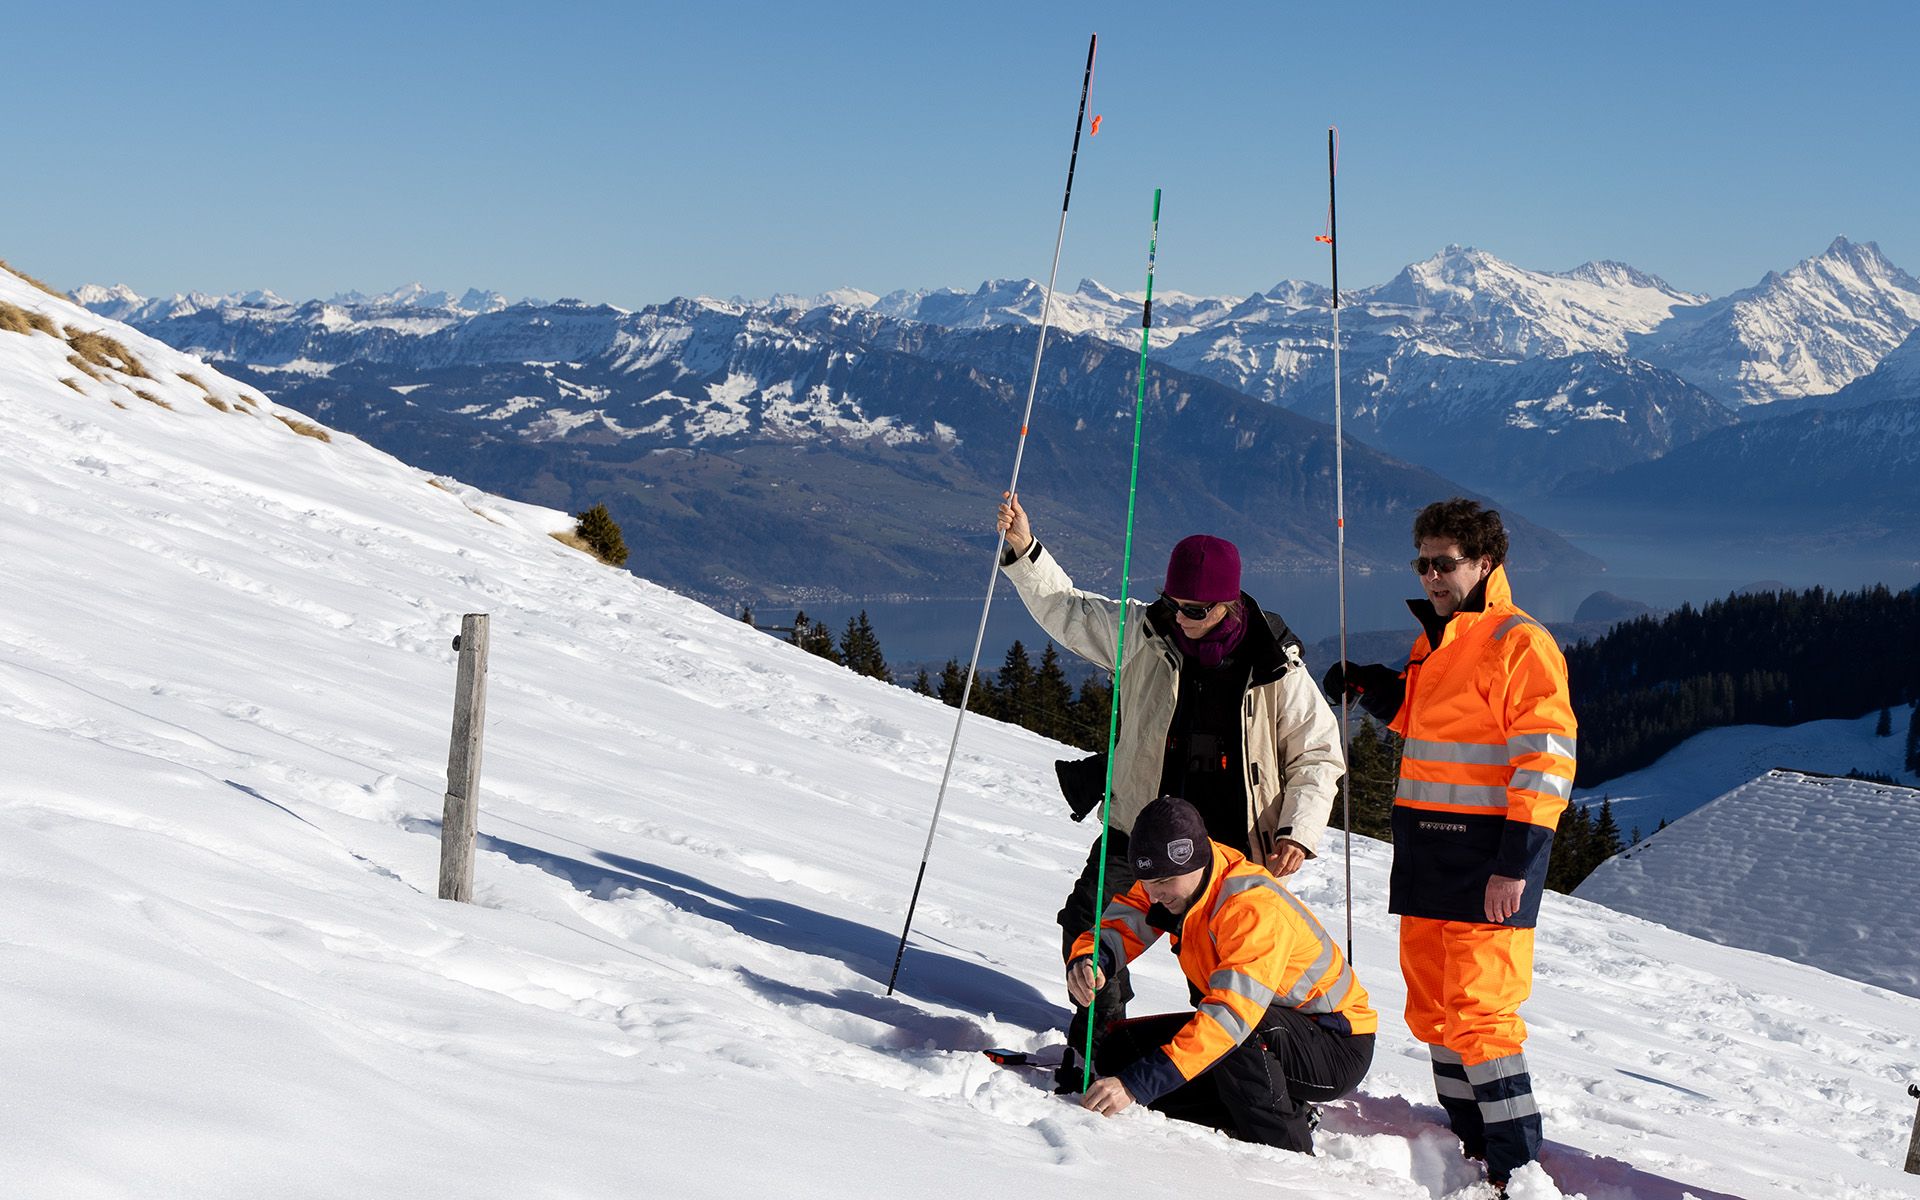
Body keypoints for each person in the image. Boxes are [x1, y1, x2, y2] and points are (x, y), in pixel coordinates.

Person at [994, 493, 1345, 1084]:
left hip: (1229, 847)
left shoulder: (1275, 665)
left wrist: (1299, 832)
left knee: (1220, 973)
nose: (1182, 617)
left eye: (1197, 609)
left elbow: (1318, 751)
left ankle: (1248, 1080)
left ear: (1228, 604)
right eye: (1175, 603)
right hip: (1139, 827)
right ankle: (1098, 1046)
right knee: (1089, 923)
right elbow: (1069, 610)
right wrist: (1024, 549)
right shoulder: (1144, 631)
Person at [1323, 498, 1576, 1189]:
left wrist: (1515, 865)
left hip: (1488, 861)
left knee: (1482, 1015)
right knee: (1434, 1009)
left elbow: (1547, 760)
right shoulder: (1436, 640)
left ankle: (1515, 1165)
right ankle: (1467, 1142)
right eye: (1423, 562)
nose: (1431, 576)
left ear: (1485, 563)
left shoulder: (1520, 644)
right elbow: (1431, 719)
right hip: (1428, 855)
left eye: (1445, 563)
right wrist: (1375, 689)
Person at [1067, 795, 1375, 1152]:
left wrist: (1137, 1085)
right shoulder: (1172, 882)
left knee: (1233, 1037)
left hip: (1333, 1045)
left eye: (1163, 882)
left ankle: (1285, 1147)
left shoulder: (1251, 907)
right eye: (1146, 882)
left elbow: (1232, 1016)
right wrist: (1092, 959)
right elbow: (1128, 921)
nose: (1153, 895)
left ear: (1195, 861)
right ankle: (1257, 1106)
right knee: (1120, 1053)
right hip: (1268, 1026)